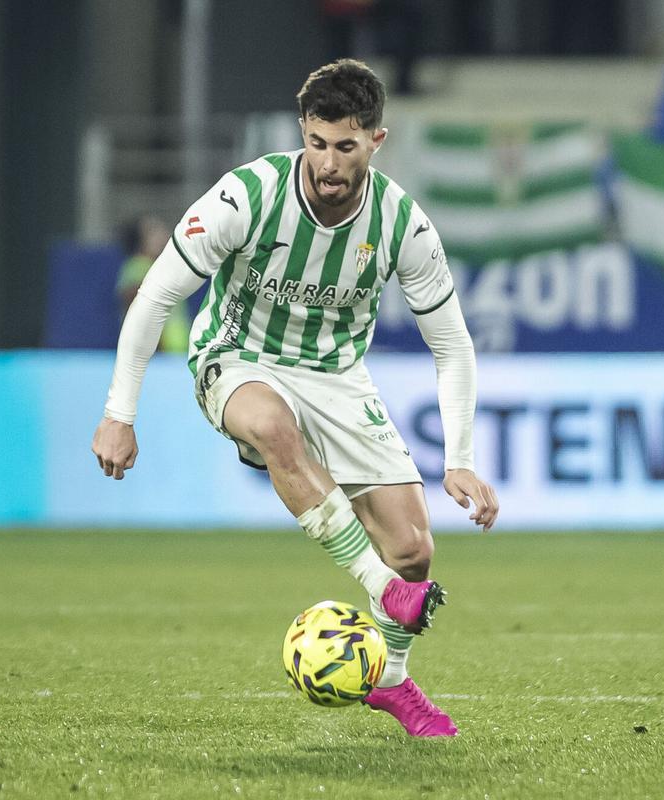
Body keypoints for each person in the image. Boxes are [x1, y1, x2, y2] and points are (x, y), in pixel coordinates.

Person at [91, 59, 499, 738]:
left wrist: (459, 458)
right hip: (237, 356)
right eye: (317, 142)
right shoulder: (246, 197)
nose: (329, 163)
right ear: (301, 132)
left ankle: (392, 681)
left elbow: (453, 346)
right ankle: (383, 592)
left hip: (337, 375)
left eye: (346, 146)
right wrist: (118, 413)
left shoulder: (403, 225)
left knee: (415, 549)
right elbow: (157, 294)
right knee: (276, 428)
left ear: (377, 140)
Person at [115, 216, 190, 353]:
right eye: (153, 232)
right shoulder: (138, 267)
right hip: (158, 355)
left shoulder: (166, 267)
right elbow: (140, 315)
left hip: (177, 352)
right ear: (140, 241)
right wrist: (155, 346)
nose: (163, 235)